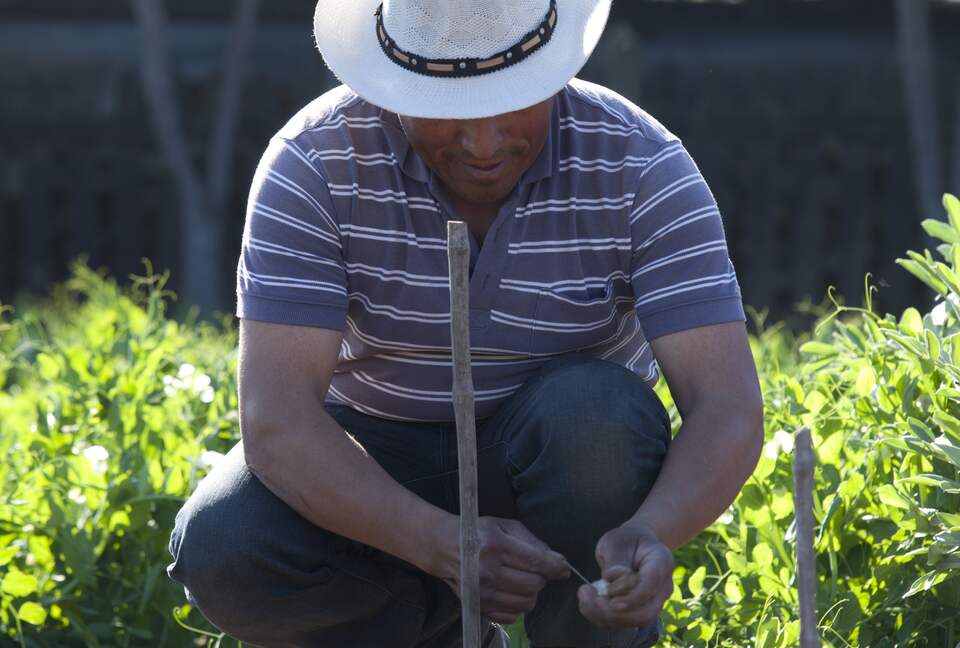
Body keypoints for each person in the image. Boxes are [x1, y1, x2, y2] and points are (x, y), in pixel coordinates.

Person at [166, 0, 764, 646]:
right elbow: (277, 421)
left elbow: (725, 407)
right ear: (394, 88)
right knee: (227, 544)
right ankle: (446, 633)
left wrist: (652, 529)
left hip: (564, 464)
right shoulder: (314, 165)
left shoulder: (641, 166)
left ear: (553, 74)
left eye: (512, 105)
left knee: (594, 418)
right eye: (448, 114)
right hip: (376, 458)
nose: (483, 144)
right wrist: (439, 545)